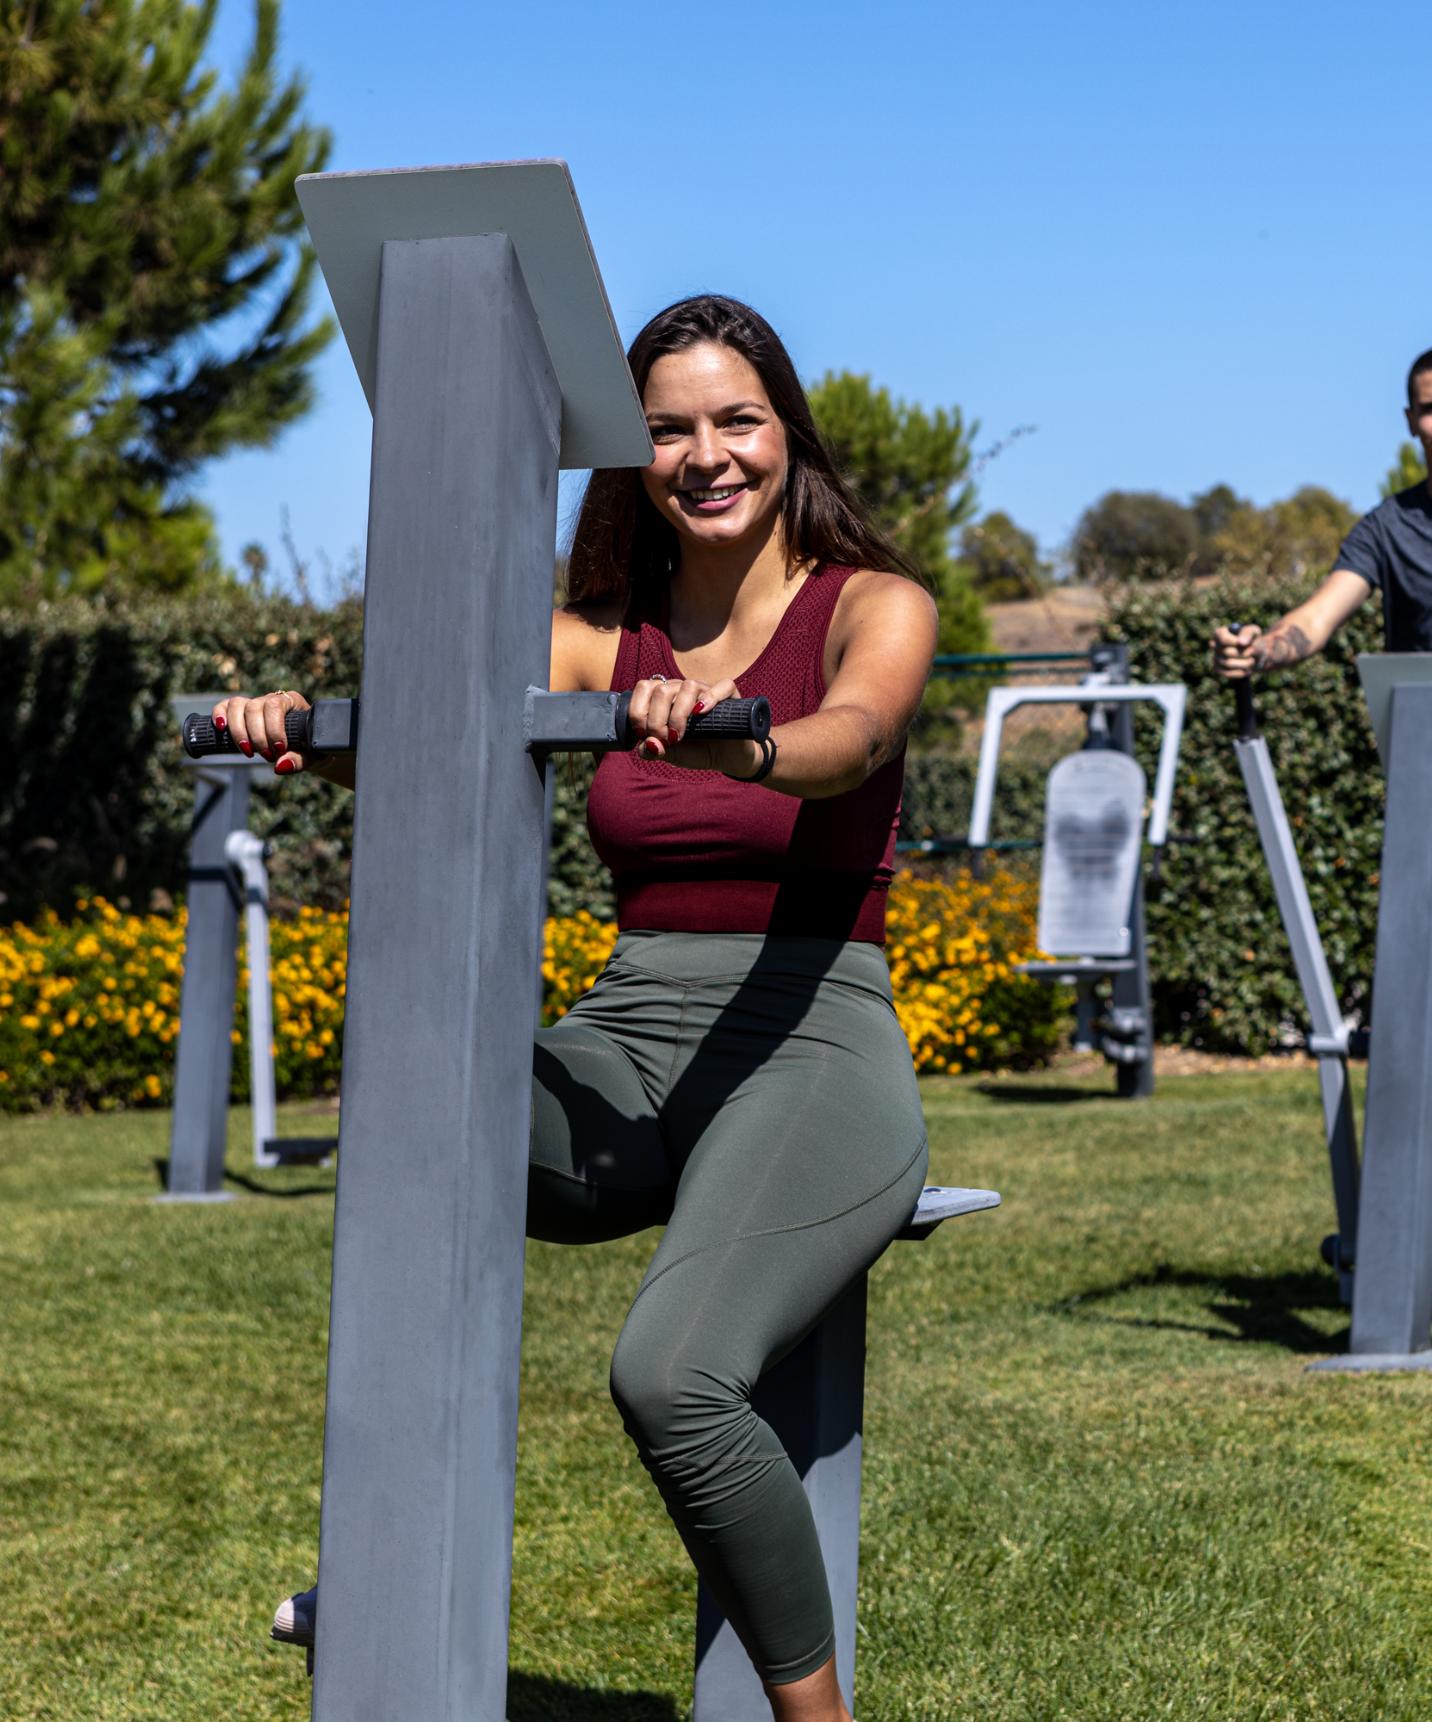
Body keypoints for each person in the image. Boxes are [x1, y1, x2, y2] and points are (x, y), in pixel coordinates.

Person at [214, 294, 940, 1722]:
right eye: (669, 429)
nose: (707, 453)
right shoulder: (592, 640)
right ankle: (391, 1568)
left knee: (674, 1375)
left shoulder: (872, 603)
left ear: (787, 431)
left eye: (737, 419)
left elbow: (850, 736)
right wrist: (298, 725)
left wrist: (744, 736)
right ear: (632, 459)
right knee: (417, 1124)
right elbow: (439, 715)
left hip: (812, 1035)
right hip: (629, 1039)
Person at [1211, 346, 1432, 678]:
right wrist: (1260, 649)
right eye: (1430, 409)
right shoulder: (1386, 528)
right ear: (1411, 421)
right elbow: (1316, 618)